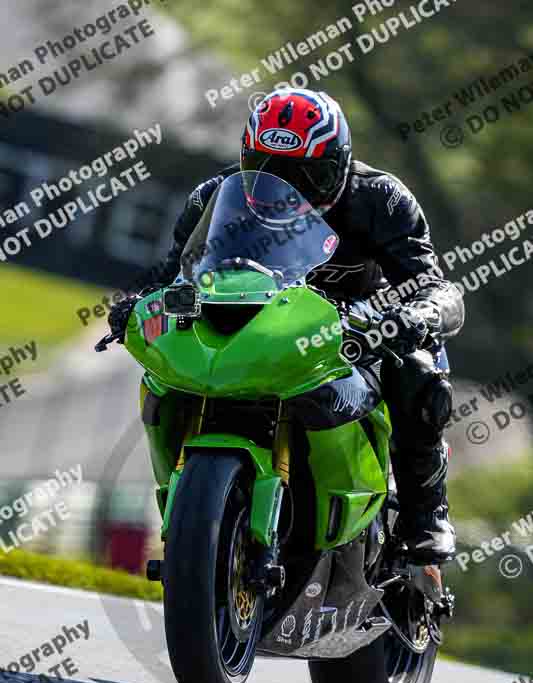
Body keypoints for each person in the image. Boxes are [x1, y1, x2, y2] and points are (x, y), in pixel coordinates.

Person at [109, 88, 464, 564]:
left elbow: (433, 285)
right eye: (268, 168)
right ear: (246, 157)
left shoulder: (382, 200)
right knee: (166, 368)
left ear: (339, 165)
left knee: (419, 371)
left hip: (359, 334)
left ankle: (426, 515)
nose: (285, 187)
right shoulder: (215, 197)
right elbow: (175, 273)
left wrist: (414, 316)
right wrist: (135, 304)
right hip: (261, 327)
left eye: (305, 175)